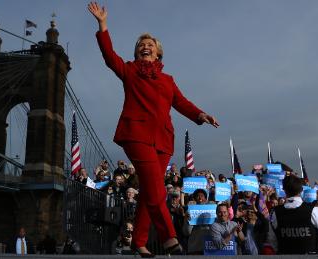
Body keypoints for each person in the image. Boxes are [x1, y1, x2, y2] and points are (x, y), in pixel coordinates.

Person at [87, 2, 219, 257]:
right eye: (141, 44)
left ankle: (139, 241)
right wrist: (103, 25)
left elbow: (181, 102)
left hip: (163, 139)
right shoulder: (129, 70)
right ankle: (170, 236)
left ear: (158, 53)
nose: (145, 46)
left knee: (150, 190)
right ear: (137, 53)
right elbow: (109, 56)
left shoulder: (168, 80)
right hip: (136, 134)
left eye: (150, 45)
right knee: (158, 190)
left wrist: (200, 114)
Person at [267, 175, 318, 254]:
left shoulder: (275, 213)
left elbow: (272, 241)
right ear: (301, 190)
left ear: (284, 190)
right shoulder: (315, 211)